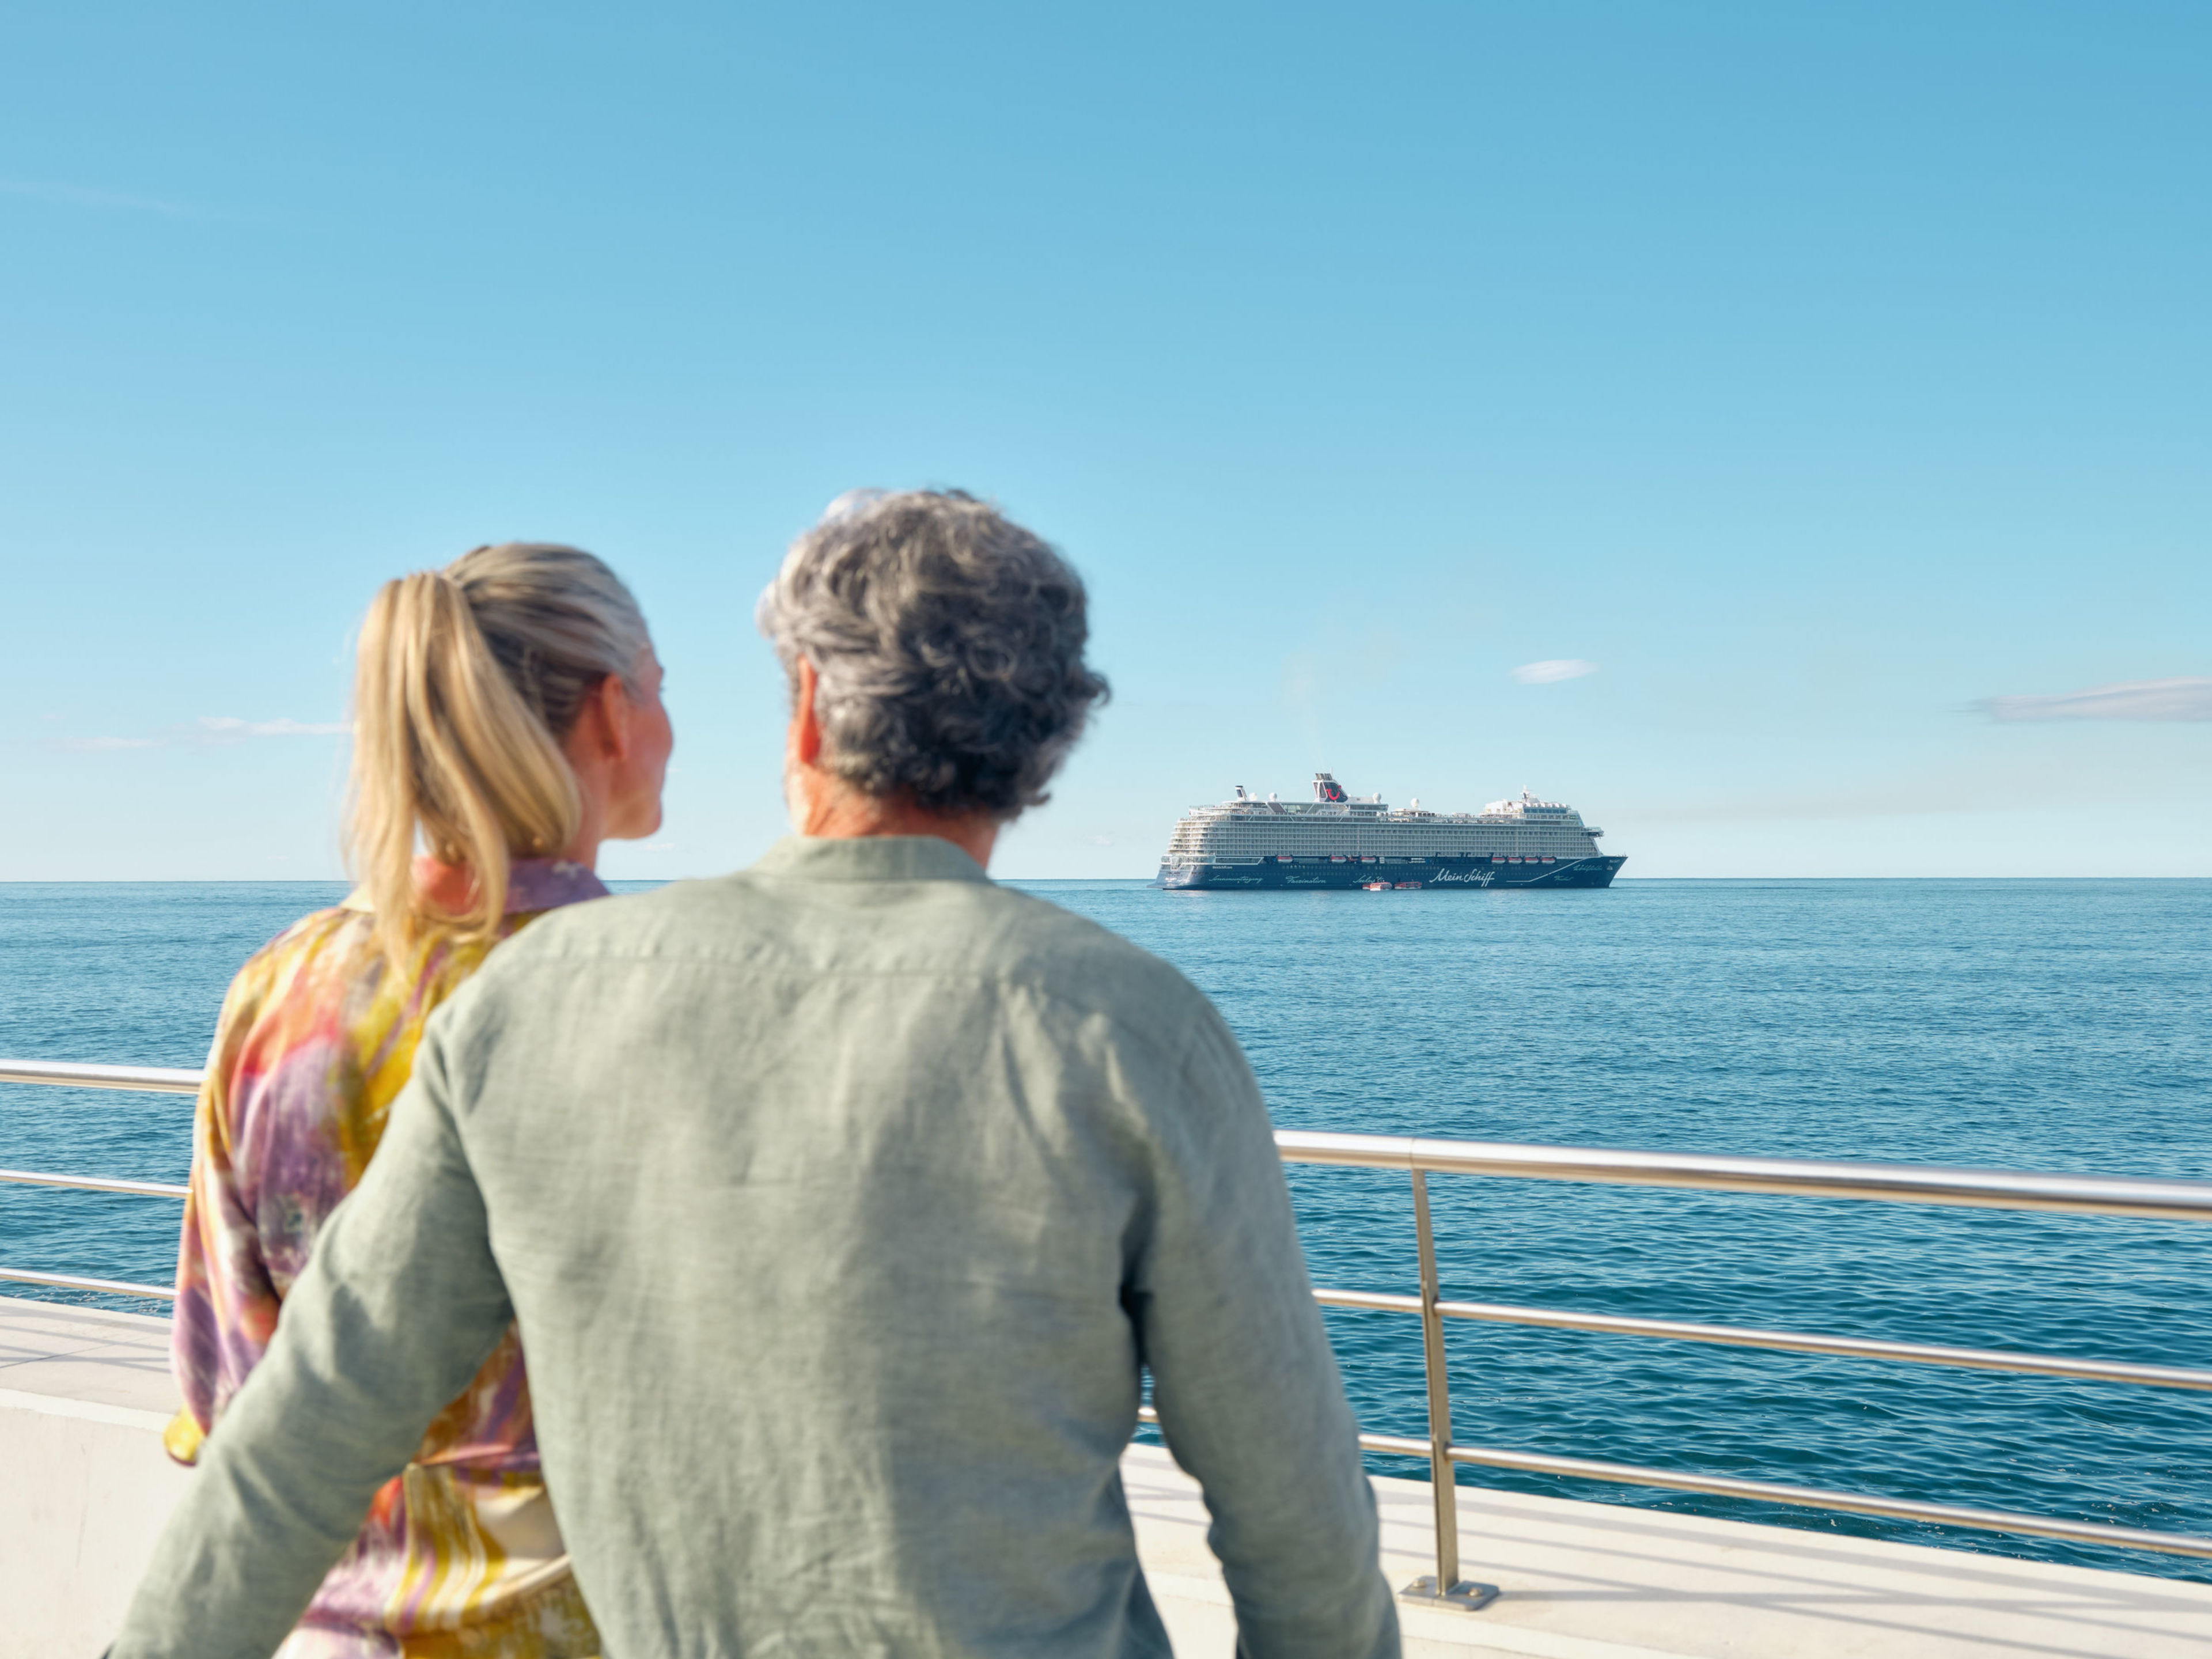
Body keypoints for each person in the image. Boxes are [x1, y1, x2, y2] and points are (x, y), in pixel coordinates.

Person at [113, 491, 1397, 1659]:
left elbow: (305, 1426)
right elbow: (1298, 1523)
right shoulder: (1140, 1029)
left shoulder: (535, 998)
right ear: (1046, 750)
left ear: (802, 707)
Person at [161, 542, 672, 1658]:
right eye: (663, 687)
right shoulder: (660, 992)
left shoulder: (282, 986)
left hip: (326, 1619)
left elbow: (224, 1377)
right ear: (611, 711)